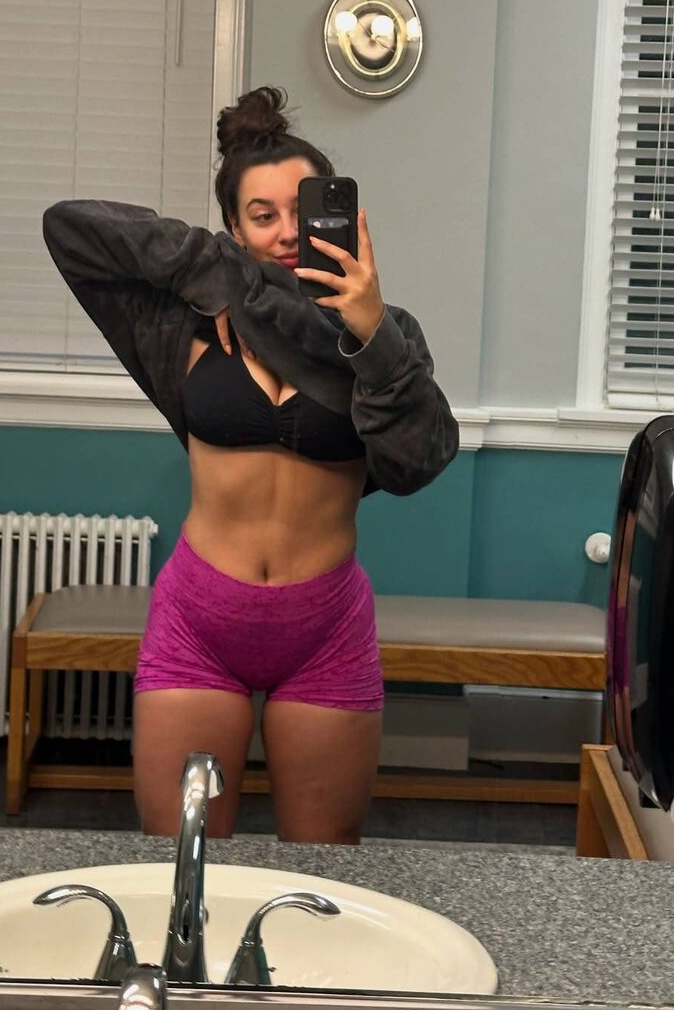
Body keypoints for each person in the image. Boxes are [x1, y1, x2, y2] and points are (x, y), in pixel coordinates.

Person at [42, 86, 459, 844]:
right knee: (182, 865)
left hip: (326, 626)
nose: (288, 232)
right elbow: (70, 228)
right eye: (262, 216)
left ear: (343, 217)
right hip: (199, 620)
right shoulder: (188, 322)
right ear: (234, 228)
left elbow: (417, 462)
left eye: (304, 210)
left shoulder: (388, 335)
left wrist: (370, 333)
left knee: (324, 873)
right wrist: (218, 274)